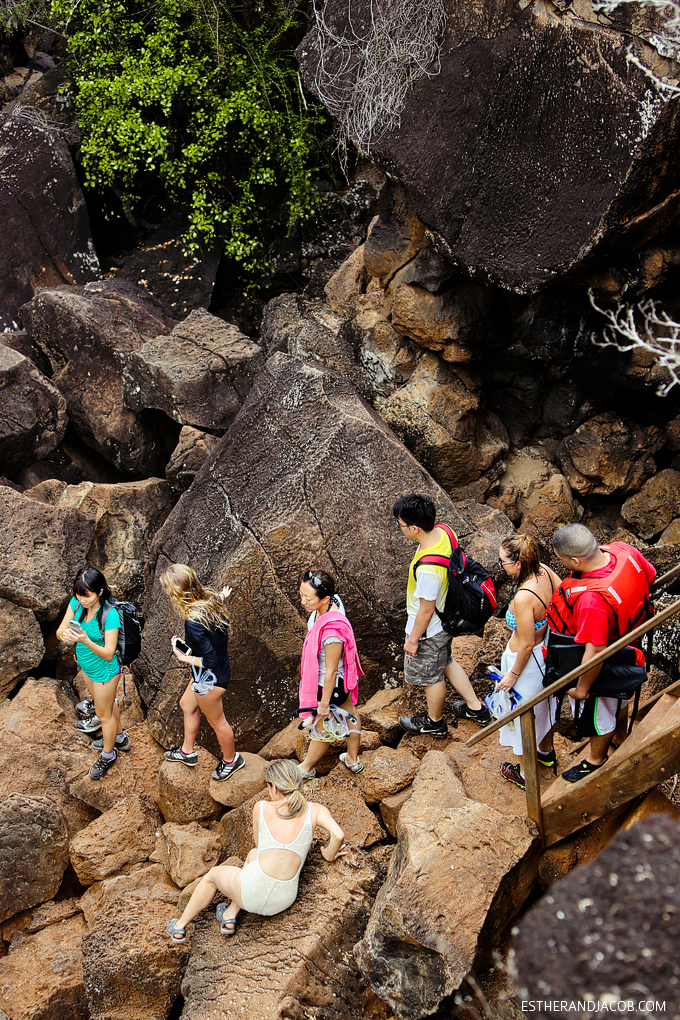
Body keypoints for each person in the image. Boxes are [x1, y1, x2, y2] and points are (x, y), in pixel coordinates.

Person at [166, 759, 347, 942]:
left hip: (252, 893)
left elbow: (260, 845)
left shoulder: (261, 807)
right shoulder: (314, 810)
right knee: (253, 856)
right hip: (284, 899)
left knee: (212, 876)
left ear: (274, 787)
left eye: (269, 787)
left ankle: (179, 927)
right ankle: (230, 914)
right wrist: (329, 854)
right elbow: (338, 835)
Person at [546, 524, 655, 783]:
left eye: (562, 560)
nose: (562, 565)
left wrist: (582, 688)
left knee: (600, 712)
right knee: (622, 699)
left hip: (608, 661)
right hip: (631, 644)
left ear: (575, 560)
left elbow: (595, 653)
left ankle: (597, 759)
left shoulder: (591, 601)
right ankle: (620, 737)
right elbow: (649, 577)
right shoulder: (623, 550)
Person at [393, 493, 479, 737]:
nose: (400, 528)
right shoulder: (444, 531)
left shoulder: (428, 570)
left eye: (401, 524)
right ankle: (475, 707)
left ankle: (434, 722)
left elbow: (425, 610)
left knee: (432, 677)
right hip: (447, 619)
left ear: (415, 528)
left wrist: (413, 639)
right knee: (446, 662)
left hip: (431, 629)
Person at [160, 564, 244, 783]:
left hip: (211, 680)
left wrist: (183, 657)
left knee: (218, 723)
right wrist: (222, 597)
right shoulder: (209, 598)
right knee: (187, 705)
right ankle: (187, 752)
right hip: (206, 674)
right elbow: (216, 602)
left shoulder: (193, 623)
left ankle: (231, 760)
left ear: (177, 593)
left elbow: (210, 660)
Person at [497, 534, 562, 791]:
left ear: (518, 564)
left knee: (522, 714)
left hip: (527, 662)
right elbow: (561, 596)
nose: (501, 565)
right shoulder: (544, 571)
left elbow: (524, 644)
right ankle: (546, 754)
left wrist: (512, 674)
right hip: (545, 650)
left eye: (503, 561)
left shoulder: (525, 597)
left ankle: (524, 773)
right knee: (546, 706)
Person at [57, 567, 127, 780]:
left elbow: (108, 653)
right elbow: (59, 632)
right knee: (106, 705)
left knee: (103, 714)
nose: (82, 599)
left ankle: (108, 753)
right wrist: (66, 635)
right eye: (79, 594)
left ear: (100, 591)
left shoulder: (110, 615)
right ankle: (120, 738)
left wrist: (85, 640)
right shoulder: (76, 604)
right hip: (86, 667)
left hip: (105, 671)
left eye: (86, 595)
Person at [297, 569, 363, 778]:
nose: (303, 601)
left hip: (331, 683)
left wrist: (324, 702)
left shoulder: (332, 631)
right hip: (337, 680)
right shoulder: (333, 600)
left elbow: (332, 670)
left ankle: (306, 768)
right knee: (350, 713)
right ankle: (352, 759)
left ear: (325, 599)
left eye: (308, 598)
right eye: (301, 594)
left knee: (322, 724)